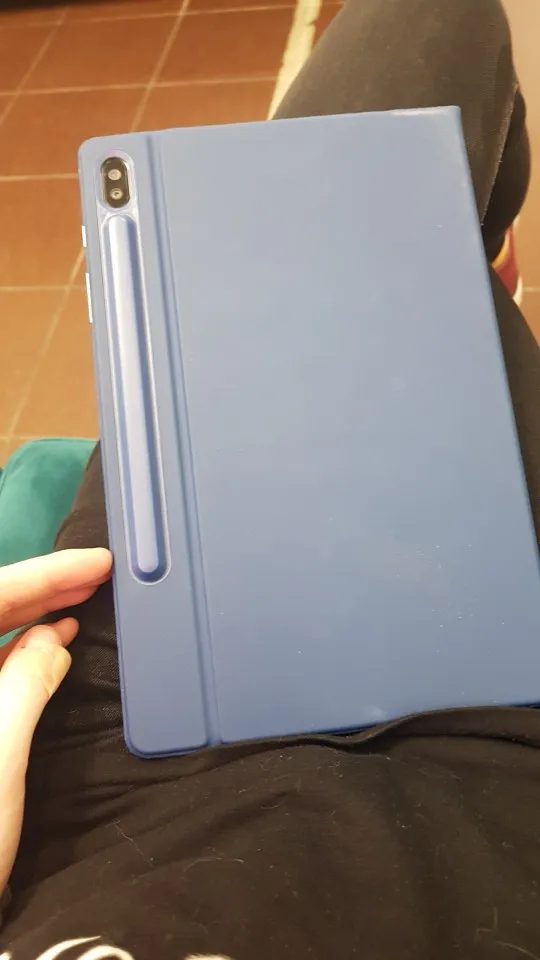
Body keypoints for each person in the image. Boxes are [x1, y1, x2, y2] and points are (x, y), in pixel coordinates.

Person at [1, 0, 540, 956]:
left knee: (425, 29)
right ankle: (466, 271)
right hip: (497, 779)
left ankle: (460, 267)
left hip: (106, 765)